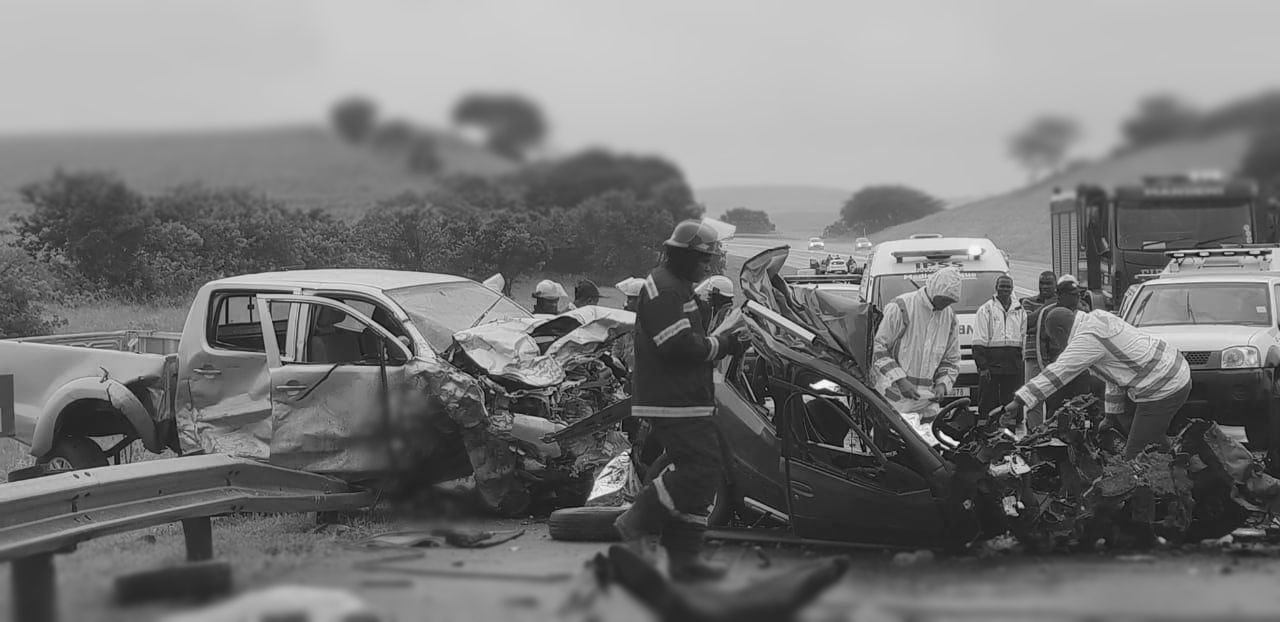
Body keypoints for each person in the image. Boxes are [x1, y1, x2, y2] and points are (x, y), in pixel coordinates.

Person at [614, 219, 742, 582]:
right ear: (683, 256)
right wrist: (725, 343)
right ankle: (638, 519)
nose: (708, 265)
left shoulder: (677, 286)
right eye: (703, 259)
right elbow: (677, 346)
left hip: (687, 397)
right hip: (673, 399)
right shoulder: (666, 290)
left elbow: (687, 339)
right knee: (700, 471)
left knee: (702, 479)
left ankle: (684, 562)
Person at [998, 307, 1191, 459]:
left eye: (1054, 338)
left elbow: (1057, 373)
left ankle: (1148, 501)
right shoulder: (1098, 318)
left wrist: (1019, 401)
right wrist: (1111, 416)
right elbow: (1116, 377)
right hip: (1172, 371)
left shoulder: (1087, 339)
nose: (1057, 344)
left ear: (1060, 330)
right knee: (1141, 431)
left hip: (1162, 385)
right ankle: (1184, 460)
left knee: (1135, 455)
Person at [871, 267, 962, 424]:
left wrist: (942, 384)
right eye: (944, 299)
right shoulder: (901, 307)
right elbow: (878, 348)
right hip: (894, 400)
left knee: (928, 446)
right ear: (934, 290)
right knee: (891, 445)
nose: (946, 305)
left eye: (951, 302)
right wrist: (900, 380)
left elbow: (951, 359)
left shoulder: (950, 318)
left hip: (927, 403)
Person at [973, 275, 1026, 417]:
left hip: (1013, 366)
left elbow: (1023, 337)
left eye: (1008, 286)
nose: (1005, 289)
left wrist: (1021, 364)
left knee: (1011, 402)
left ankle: (1009, 432)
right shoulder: (986, 310)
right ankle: (985, 431)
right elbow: (979, 339)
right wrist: (982, 366)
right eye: (1002, 286)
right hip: (991, 366)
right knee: (987, 401)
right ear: (996, 288)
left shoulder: (1020, 311)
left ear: (1012, 289)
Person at [1019, 271, 1057, 428]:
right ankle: (1034, 435)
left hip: (1055, 357)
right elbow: (1026, 324)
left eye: (1049, 283)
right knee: (1033, 397)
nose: (1045, 287)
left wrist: (1038, 325)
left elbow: (1055, 326)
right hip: (1033, 355)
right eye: (1042, 283)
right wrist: (1047, 306)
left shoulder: (1060, 303)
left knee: (1055, 398)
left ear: (1055, 285)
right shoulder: (1028, 302)